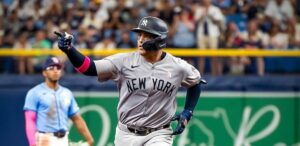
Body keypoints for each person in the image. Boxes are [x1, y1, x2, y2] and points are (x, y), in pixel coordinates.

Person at [55, 16, 205, 146]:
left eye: (146, 36)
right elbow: (89, 68)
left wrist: (188, 111)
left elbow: (196, 83)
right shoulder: (123, 61)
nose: (140, 40)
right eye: (139, 35)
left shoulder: (177, 66)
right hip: (126, 134)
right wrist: (70, 50)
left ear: (159, 40)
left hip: (159, 133)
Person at [23, 56, 94, 146]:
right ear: (44, 72)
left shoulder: (67, 93)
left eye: (58, 67)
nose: (55, 70)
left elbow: (76, 118)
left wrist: (89, 138)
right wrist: (32, 143)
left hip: (63, 139)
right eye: (51, 68)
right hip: (44, 139)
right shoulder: (34, 92)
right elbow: (30, 120)